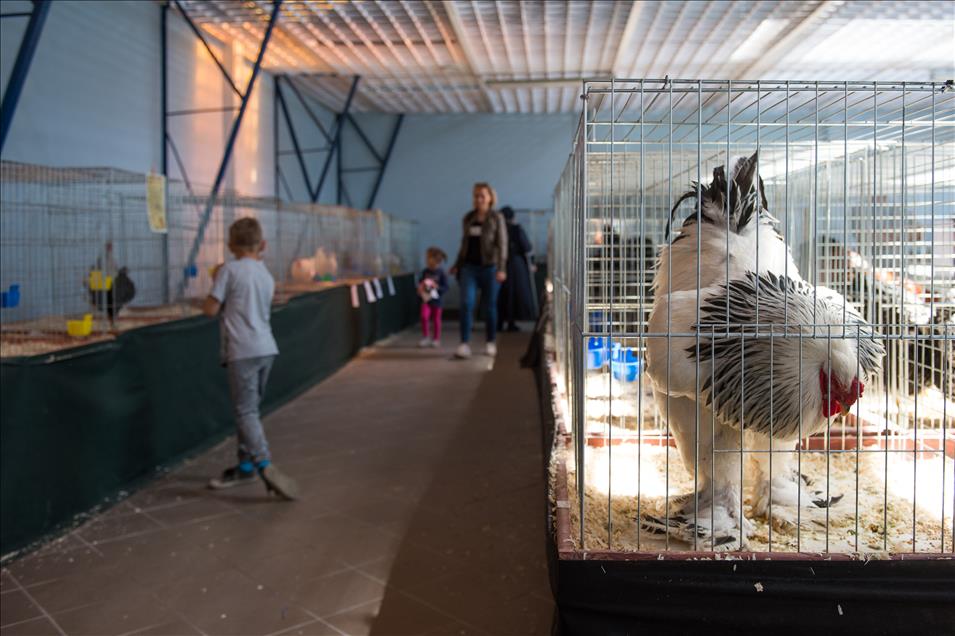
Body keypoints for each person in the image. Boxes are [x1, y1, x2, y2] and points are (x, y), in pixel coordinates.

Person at [202, 217, 298, 500]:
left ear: (231, 245)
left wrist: (212, 283)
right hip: (266, 348)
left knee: (245, 412)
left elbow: (210, 309)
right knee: (250, 410)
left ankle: (264, 464)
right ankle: (245, 466)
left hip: (241, 351)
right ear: (262, 245)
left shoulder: (228, 270)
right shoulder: (266, 275)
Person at [449, 182, 508, 359]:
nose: (479, 199)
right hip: (469, 268)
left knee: (490, 306)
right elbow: (464, 244)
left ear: (490, 198)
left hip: (491, 268)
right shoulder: (468, 218)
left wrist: (502, 268)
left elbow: (502, 244)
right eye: (476, 195)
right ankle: (464, 344)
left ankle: (490, 341)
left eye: (482, 195)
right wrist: (456, 264)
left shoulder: (497, 218)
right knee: (467, 303)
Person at [496, 206, 538, 332]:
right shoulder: (516, 229)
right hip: (515, 265)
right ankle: (511, 322)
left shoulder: (498, 229)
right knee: (514, 295)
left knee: (501, 294)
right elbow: (527, 247)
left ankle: (498, 322)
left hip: (499, 264)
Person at [418, 246, 449, 347]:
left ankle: (436, 339)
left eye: (428, 258)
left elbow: (445, 287)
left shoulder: (441, 273)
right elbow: (420, 283)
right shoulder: (425, 272)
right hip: (426, 300)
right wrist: (420, 287)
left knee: (436, 319)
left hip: (437, 301)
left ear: (435, 260)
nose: (426, 260)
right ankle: (425, 337)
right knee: (424, 316)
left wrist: (437, 287)